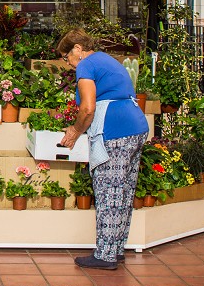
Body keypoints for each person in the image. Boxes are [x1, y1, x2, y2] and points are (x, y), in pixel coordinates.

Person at [56, 30, 148, 271]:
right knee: (124, 192)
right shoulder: (106, 59)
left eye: (66, 57)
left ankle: (105, 256)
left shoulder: (86, 65)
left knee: (109, 191)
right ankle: (115, 249)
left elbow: (88, 108)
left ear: (77, 49)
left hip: (115, 130)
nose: (68, 63)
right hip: (136, 126)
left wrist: (75, 131)